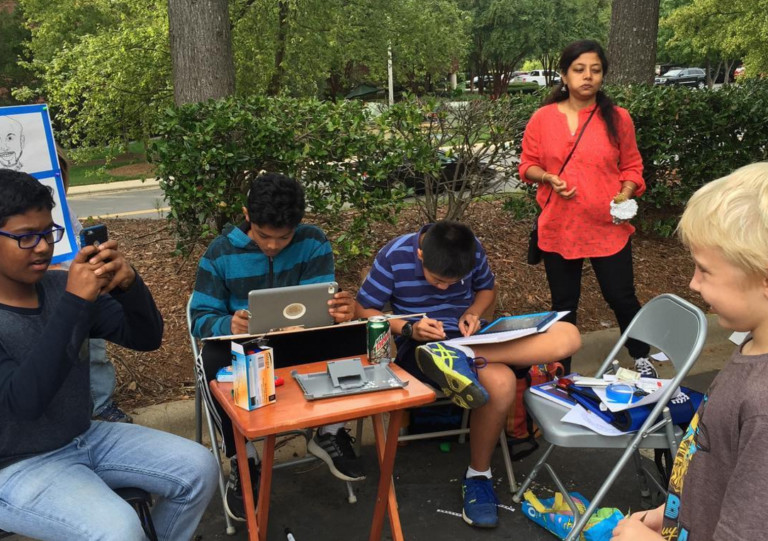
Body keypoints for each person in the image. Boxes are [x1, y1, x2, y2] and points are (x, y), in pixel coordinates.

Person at [0, 169, 218, 540]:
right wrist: (74, 303)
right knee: (118, 529)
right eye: (25, 237)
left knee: (199, 469)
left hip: (84, 436)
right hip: (15, 465)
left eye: (48, 232)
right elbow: (25, 402)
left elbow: (146, 337)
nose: (41, 246)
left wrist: (131, 286)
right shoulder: (68, 295)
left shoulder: (58, 288)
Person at [356, 220, 581, 529]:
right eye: (437, 280)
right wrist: (408, 327)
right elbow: (364, 309)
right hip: (421, 345)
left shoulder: (470, 249)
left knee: (569, 335)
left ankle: (460, 354)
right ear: (420, 255)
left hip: (471, 340)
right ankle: (479, 475)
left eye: (454, 282)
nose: (445, 288)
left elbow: (486, 289)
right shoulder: (394, 255)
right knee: (501, 383)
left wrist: (473, 312)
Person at [189, 172, 364, 522]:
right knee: (211, 359)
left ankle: (329, 433)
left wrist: (340, 312)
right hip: (245, 350)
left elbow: (321, 304)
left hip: (300, 341)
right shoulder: (220, 253)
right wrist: (229, 324)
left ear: (297, 226)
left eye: (283, 238)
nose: (272, 246)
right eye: (264, 236)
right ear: (247, 215)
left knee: (356, 336)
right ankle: (243, 458)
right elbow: (200, 318)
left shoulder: (312, 242)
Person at [611, 162, 768, 540]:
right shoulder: (753, 343)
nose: (693, 283)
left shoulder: (763, 404)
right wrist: (676, 510)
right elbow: (726, 466)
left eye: (704, 271)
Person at [519, 39, 654, 377]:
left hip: (607, 225)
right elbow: (527, 165)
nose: (587, 76)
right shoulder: (542, 118)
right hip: (559, 227)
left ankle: (641, 356)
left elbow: (633, 167)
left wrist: (625, 191)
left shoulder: (618, 118)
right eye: (579, 70)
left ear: (603, 76)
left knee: (621, 296)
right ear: (564, 75)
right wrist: (548, 177)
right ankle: (561, 369)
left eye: (595, 70)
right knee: (564, 304)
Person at [56, 146, 133, 422]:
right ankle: (74, 407)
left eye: (62, 174)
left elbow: (78, 241)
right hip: (54, 293)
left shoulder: (65, 208)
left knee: (95, 351)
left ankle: (101, 404)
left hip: (83, 289)